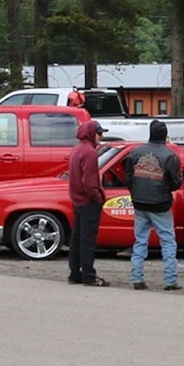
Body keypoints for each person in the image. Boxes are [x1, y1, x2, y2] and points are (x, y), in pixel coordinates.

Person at [126, 120, 183, 291]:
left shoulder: (135, 153)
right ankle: (170, 280)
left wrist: (135, 191)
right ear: (165, 135)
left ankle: (137, 278)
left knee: (140, 241)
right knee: (168, 242)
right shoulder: (170, 155)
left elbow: (128, 177)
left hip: (140, 202)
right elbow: (176, 182)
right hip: (161, 203)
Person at [66, 120, 108, 286]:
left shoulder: (77, 149)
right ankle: (89, 275)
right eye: (99, 133)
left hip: (77, 200)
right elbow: (89, 183)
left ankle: (75, 273)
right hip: (88, 201)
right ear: (92, 134)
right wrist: (98, 199)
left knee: (77, 238)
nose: (102, 136)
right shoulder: (90, 153)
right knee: (87, 240)